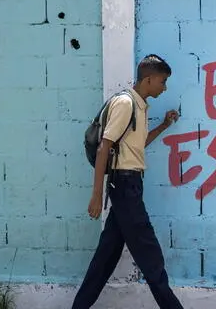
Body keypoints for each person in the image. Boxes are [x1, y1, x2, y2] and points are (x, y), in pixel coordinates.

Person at [72, 54, 184, 309]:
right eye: (163, 81)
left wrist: (164, 126)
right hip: (124, 186)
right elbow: (104, 147)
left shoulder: (140, 106)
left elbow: (137, 146)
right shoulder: (126, 103)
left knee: (105, 259)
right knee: (151, 256)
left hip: (130, 185)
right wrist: (97, 194)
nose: (164, 87)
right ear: (149, 78)